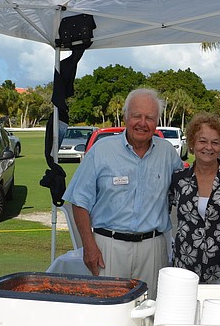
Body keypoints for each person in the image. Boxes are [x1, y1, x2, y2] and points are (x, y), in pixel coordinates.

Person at [63, 88, 182, 299]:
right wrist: (89, 246)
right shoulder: (101, 151)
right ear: (126, 116)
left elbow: (190, 186)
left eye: (149, 118)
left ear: (157, 122)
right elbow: (79, 202)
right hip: (108, 248)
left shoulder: (168, 153)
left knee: (149, 313)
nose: (142, 123)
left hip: (153, 249)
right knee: (107, 314)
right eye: (137, 116)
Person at [169, 113, 220, 284]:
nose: (208, 147)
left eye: (215, 142)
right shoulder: (179, 178)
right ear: (192, 144)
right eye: (203, 141)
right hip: (184, 265)